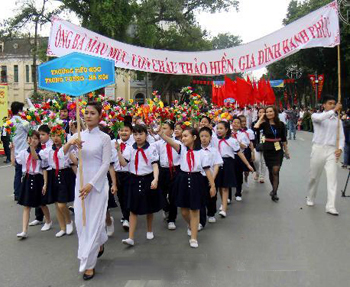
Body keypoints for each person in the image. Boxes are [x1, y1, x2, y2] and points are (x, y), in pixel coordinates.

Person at [63, 102, 112, 280]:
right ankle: (100, 241)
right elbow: (63, 154)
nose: (88, 116)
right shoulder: (78, 136)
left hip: (97, 186)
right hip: (80, 183)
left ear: (100, 116)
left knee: (94, 221)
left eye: (92, 113)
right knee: (81, 222)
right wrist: (70, 144)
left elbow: (106, 164)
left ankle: (88, 264)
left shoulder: (105, 138)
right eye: (86, 113)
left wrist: (92, 184)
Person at [158, 126, 216, 248]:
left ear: (194, 137)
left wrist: (212, 185)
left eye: (186, 136)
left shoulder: (202, 153)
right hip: (183, 179)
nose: (183, 138)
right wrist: (162, 134)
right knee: (184, 211)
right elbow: (171, 141)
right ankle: (191, 225)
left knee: (194, 210)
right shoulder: (182, 149)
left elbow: (207, 170)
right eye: (182, 136)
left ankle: (193, 238)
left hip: (197, 180)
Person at [117, 125, 163, 246]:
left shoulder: (151, 148)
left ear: (146, 135)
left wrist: (155, 179)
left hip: (147, 178)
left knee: (149, 207)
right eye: (136, 134)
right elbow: (123, 163)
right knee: (133, 209)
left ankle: (149, 230)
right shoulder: (129, 148)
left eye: (141, 134)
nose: (138, 137)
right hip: (133, 179)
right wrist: (118, 152)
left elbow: (155, 165)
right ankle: (131, 237)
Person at [306, 96, 344, 215]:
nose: (332, 105)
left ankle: (331, 206)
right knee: (313, 177)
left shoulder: (338, 120)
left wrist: (340, 149)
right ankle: (310, 197)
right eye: (330, 103)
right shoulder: (316, 116)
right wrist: (334, 110)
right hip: (318, 148)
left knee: (332, 179)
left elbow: (341, 137)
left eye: (334, 104)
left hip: (332, 151)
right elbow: (321, 118)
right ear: (324, 105)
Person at [12, 131, 51, 239]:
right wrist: (12, 150)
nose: (32, 140)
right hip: (28, 178)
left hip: (38, 179)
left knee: (42, 203)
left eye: (35, 138)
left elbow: (43, 169)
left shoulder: (41, 153)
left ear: (39, 141)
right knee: (26, 205)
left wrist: (45, 184)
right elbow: (14, 163)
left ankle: (48, 221)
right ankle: (24, 230)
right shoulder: (24, 152)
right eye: (30, 138)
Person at [41, 125, 76, 237]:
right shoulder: (47, 151)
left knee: (62, 204)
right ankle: (62, 227)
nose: (56, 138)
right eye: (53, 135)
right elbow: (39, 160)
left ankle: (69, 221)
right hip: (53, 175)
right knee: (57, 204)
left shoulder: (67, 147)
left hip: (65, 174)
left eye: (58, 135)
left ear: (63, 136)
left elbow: (66, 153)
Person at [215, 121, 254, 217]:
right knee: (220, 186)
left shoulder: (232, 141)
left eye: (221, 128)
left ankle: (224, 209)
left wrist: (248, 165)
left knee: (225, 187)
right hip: (217, 164)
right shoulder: (214, 140)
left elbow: (240, 153)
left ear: (227, 129)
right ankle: (223, 203)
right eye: (217, 128)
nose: (219, 130)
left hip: (228, 163)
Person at [254, 106, 290, 202]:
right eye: (267, 112)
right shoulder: (264, 124)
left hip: (278, 150)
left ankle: (274, 192)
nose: (269, 113)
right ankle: (273, 189)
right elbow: (255, 127)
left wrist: (286, 151)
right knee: (271, 171)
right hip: (268, 149)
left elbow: (283, 139)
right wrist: (261, 117)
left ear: (275, 112)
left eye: (271, 111)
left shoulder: (281, 124)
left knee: (275, 170)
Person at [153, 120, 181, 230]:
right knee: (160, 193)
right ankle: (166, 208)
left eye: (165, 128)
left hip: (175, 170)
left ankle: (172, 219)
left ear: (172, 131)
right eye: (162, 128)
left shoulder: (178, 143)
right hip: (162, 170)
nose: (162, 130)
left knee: (173, 195)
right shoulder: (158, 144)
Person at [29, 124, 53, 229]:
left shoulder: (50, 145)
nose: (40, 137)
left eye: (43, 134)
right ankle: (39, 218)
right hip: (41, 172)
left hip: (50, 171)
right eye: (40, 135)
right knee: (39, 195)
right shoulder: (39, 145)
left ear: (49, 135)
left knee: (52, 197)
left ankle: (64, 221)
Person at [199, 127, 222, 227]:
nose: (204, 138)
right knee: (200, 199)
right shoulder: (197, 150)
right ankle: (201, 221)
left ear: (210, 138)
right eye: (202, 136)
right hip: (200, 177)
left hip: (211, 177)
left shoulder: (214, 150)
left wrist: (212, 178)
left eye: (206, 136)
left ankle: (211, 213)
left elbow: (217, 164)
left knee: (211, 196)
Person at [113, 122, 134, 230]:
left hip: (129, 173)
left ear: (131, 132)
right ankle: (125, 215)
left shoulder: (133, 144)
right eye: (121, 130)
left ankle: (127, 217)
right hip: (117, 174)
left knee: (128, 196)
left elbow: (125, 162)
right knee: (120, 197)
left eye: (126, 130)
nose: (124, 132)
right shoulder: (114, 143)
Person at [11, 101, 30, 201]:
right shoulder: (23, 122)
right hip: (24, 151)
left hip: (15, 150)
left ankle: (17, 193)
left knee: (18, 173)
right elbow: (31, 131)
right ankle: (24, 192)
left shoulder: (9, 122)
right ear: (19, 111)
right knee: (27, 172)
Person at [252, 108, 267, 183]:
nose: (262, 113)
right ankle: (257, 172)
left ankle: (262, 176)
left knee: (263, 161)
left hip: (266, 144)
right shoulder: (255, 123)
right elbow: (254, 129)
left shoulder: (268, 123)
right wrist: (260, 119)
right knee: (256, 160)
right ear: (257, 114)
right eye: (260, 112)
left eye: (263, 112)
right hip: (256, 144)